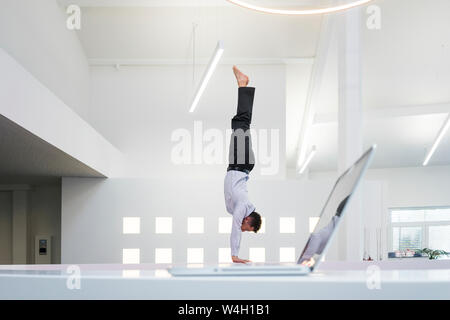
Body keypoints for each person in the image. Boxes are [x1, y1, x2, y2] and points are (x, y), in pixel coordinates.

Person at [224, 66, 262, 264]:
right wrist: (234, 255)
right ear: (248, 220)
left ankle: (243, 85)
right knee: (241, 124)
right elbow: (235, 230)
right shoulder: (242, 208)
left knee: (239, 124)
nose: (243, 229)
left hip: (240, 164)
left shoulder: (240, 207)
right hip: (241, 163)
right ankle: (242, 84)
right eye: (247, 228)